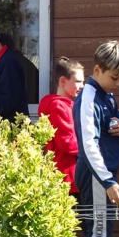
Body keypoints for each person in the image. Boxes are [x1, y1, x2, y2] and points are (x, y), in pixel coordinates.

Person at [74, 41, 119, 237]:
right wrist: (107, 181)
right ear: (97, 70)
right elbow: (88, 145)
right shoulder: (89, 98)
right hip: (95, 175)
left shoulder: (106, 93)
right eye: (115, 77)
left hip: (102, 175)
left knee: (102, 231)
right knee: (99, 234)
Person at [37, 57, 84, 193]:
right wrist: (90, 148)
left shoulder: (57, 103)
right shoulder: (58, 106)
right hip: (67, 175)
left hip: (61, 174)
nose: (82, 86)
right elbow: (67, 142)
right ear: (63, 81)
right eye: (78, 81)